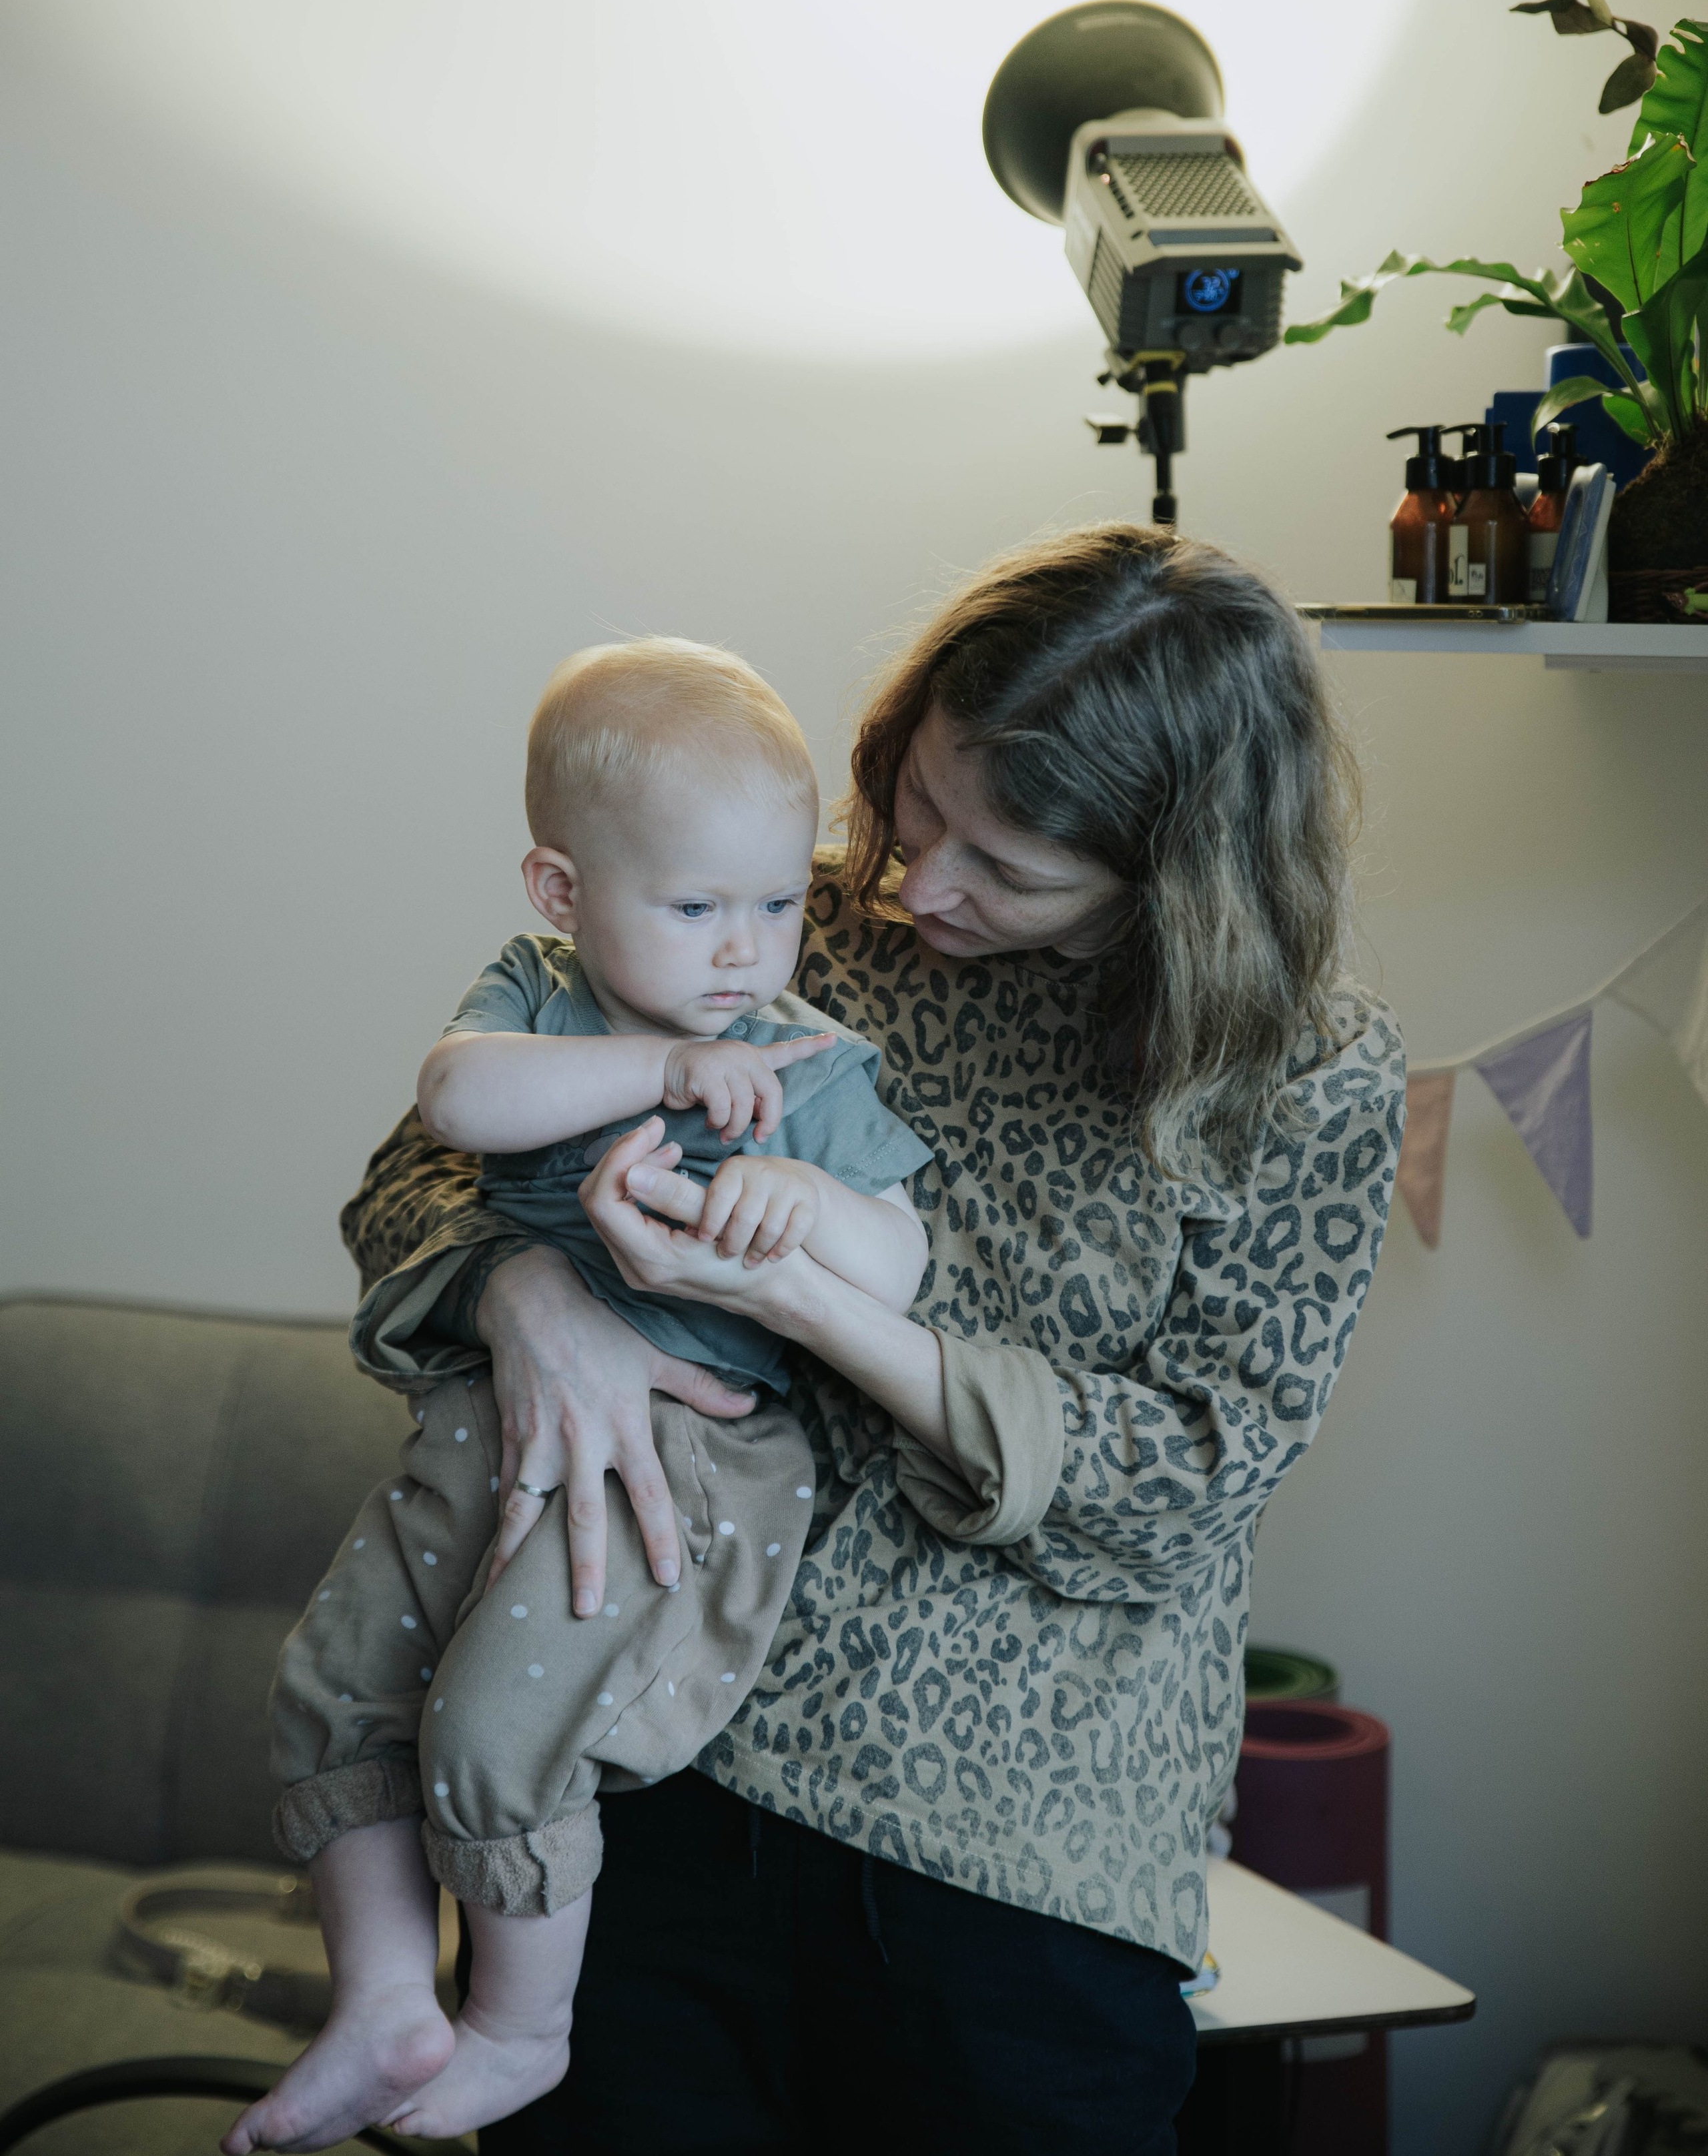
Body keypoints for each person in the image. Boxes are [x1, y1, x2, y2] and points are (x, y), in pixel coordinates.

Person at [338, 524, 1406, 2156]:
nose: (921, 887)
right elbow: (416, 1172)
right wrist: (526, 1298)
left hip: (1012, 1865)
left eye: (1008, 868)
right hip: (655, 1762)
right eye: (917, 807)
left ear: (1172, 878)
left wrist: (814, 1308)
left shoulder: (1302, 1075)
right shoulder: (783, 923)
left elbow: (1183, 1483)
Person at [226, 640, 931, 2151]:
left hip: (685, 1452)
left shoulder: (804, 1060)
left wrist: (806, 1205)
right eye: (695, 909)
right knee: (334, 1683)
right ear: (560, 892)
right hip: (482, 1420)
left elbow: (898, 1260)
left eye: (776, 905)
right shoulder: (538, 999)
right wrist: (660, 1069)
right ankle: (381, 2005)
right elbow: (456, 1100)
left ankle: (521, 2026)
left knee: (495, 1726)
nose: (747, 952)